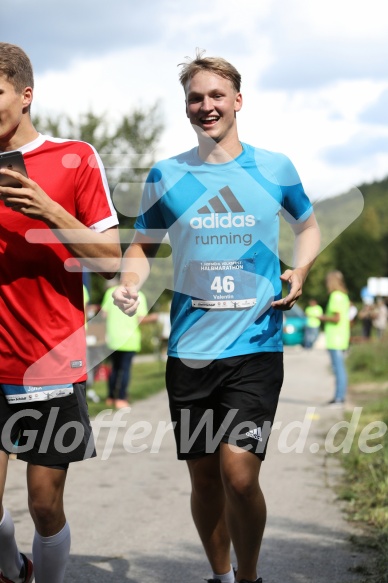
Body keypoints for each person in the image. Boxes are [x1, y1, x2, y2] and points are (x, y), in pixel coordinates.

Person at [113, 51, 320, 583]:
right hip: (190, 352)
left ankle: (247, 575)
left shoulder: (274, 167)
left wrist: (301, 269)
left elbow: (308, 225)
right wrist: (130, 283)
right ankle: (221, 575)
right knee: (205, 480)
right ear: (186, 107)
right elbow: (141, 247)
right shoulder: (166, 174)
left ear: (238, 102)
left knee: (240, 476)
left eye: (216, 96)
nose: (207, 106)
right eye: (196, 98)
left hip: (255, 346)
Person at [0, 43, 121, 583]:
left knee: (44, 506)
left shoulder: (74, 157)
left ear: (25, 96)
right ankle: (13, 569)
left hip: (48, 365)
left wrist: (47, 209)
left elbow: (111, 261)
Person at [100, 281, 157, 408]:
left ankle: (110, 397)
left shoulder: (111, 292)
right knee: (124, 369)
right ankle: (121, 398)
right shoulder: (138, 295)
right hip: (129, 338)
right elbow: (140, 319)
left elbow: (103, 315)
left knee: (114, 368)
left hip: (113, 337)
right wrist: (153, 318)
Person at [318, 271, 350, 405]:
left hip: (335, 338)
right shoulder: (343, 295)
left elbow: (336, 318)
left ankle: (339, 398)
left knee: (338, 368)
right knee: (339, 368)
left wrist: (322, 317)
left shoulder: (335, 296)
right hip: (341, 336)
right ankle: (338, 396)